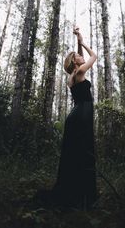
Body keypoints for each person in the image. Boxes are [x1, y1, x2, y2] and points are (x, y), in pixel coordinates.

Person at [33, 27, 98, 210]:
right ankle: (82, 195)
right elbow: (94, 56)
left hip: (75, 114)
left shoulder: (72, 76)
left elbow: (80, 56)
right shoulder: (80, 72)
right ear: (75, 62)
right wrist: (84, 44)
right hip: (83, 112)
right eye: (78, 57)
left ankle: (75, 191)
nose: (81, 56)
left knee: (75, 152)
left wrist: (79, 39)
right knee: (83, 150)